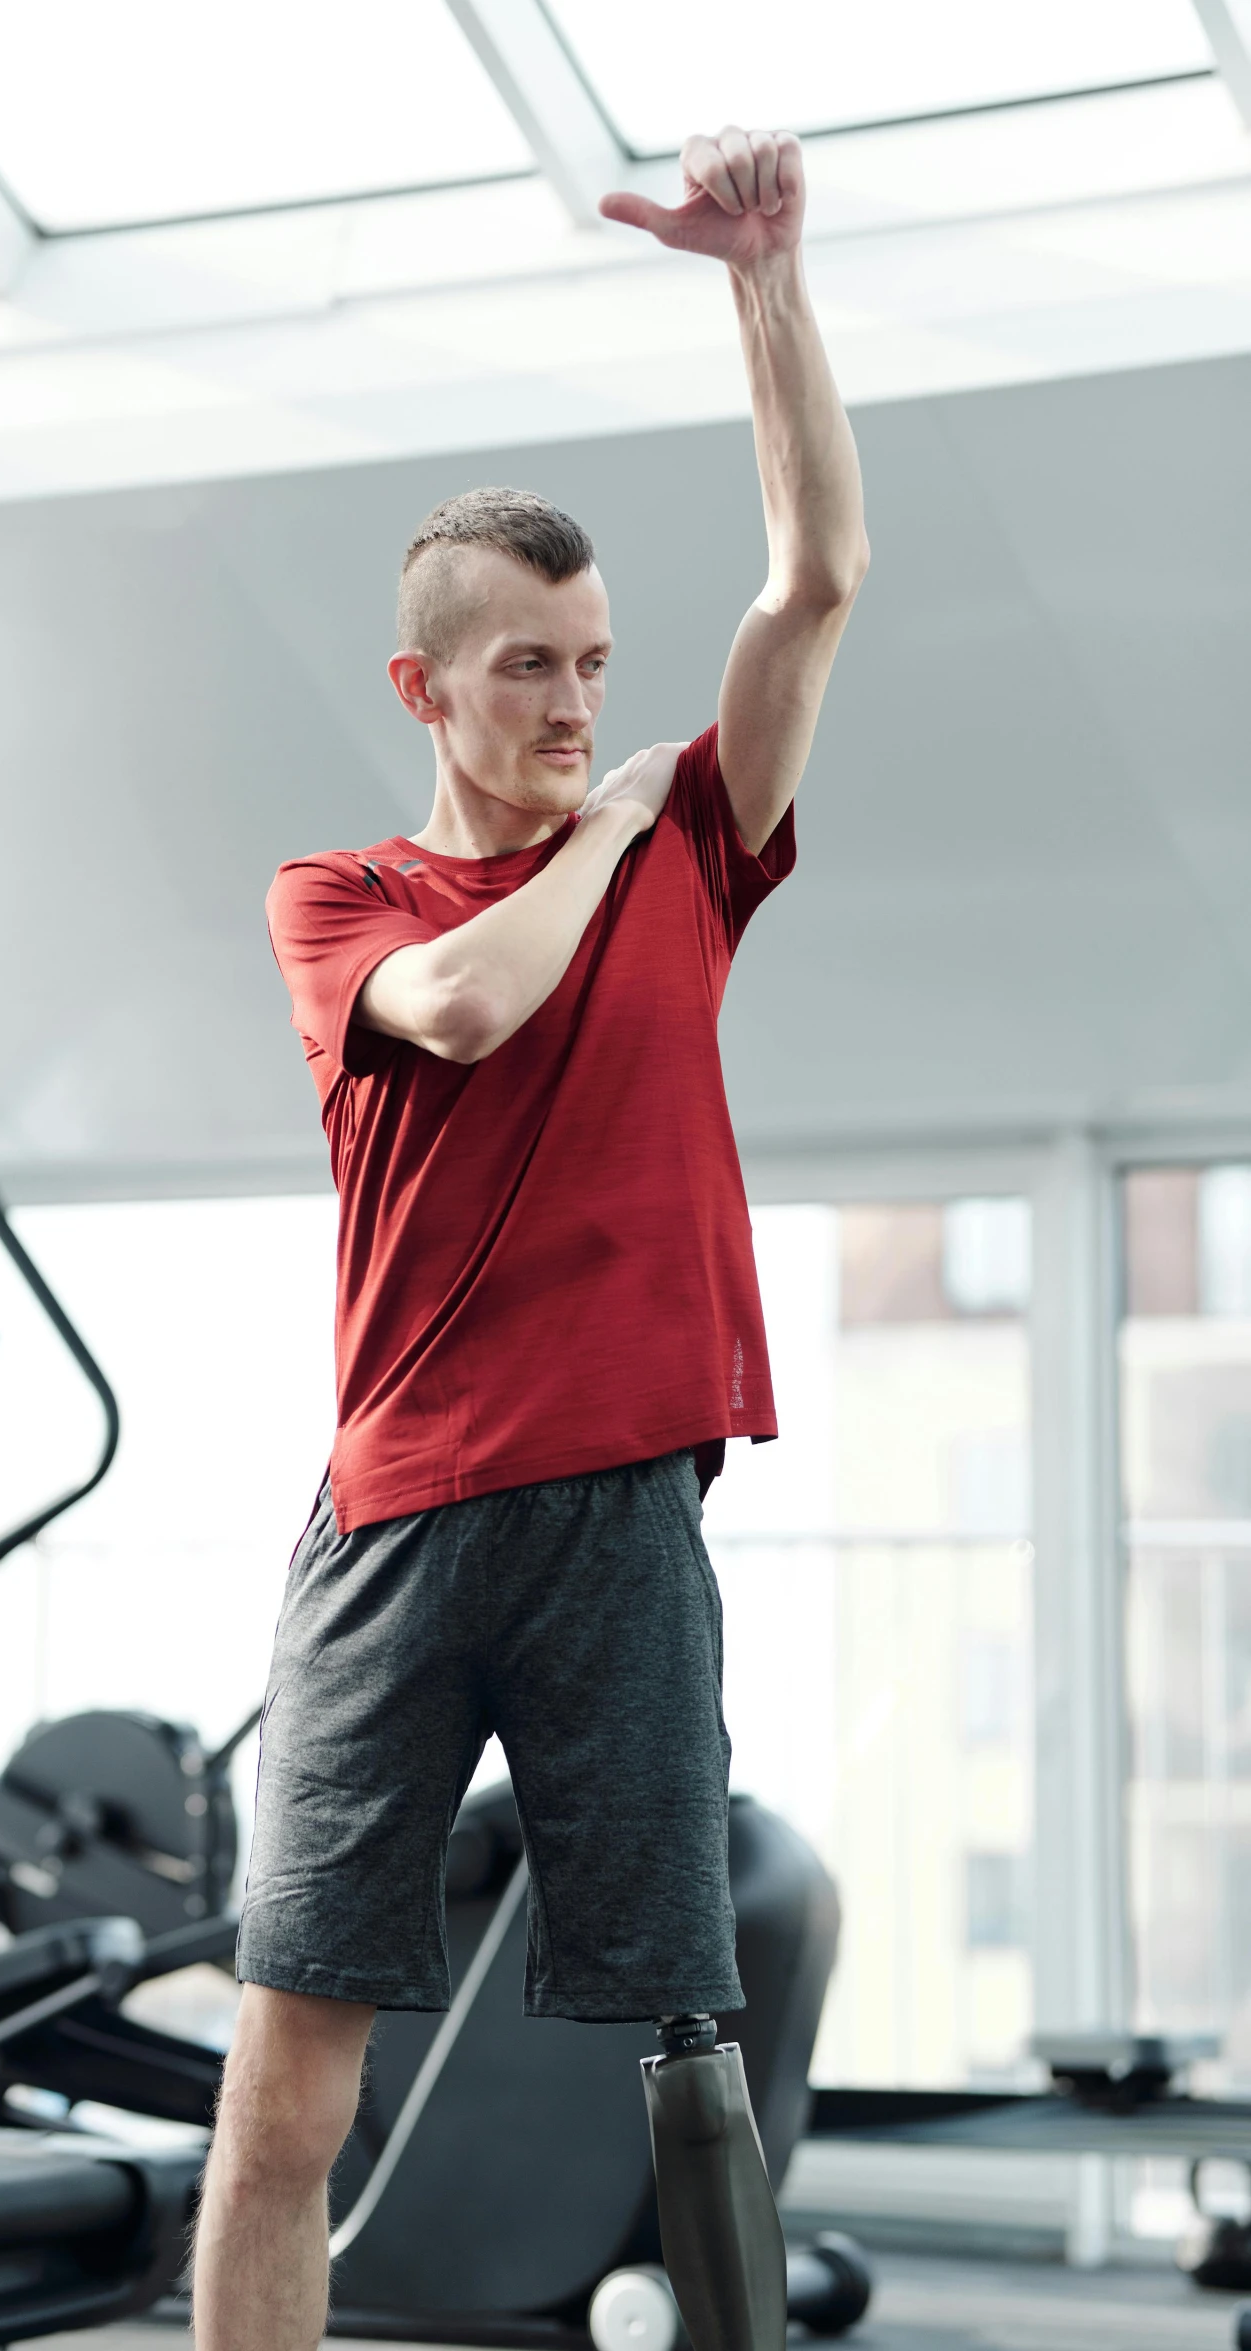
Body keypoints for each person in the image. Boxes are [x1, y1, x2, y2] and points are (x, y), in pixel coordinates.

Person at [193, 122, 868, 2351]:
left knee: (693, 2045)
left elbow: (819, 581)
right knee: (290, 2086)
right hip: (394, 1530)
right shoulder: (346, 900)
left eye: (596, 664)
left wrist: (764, 276)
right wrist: (608, 827)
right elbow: (472, 1008)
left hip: (618, 1518)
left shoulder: (694, 840)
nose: (579, 703)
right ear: (426, 690)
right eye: (529, 672)